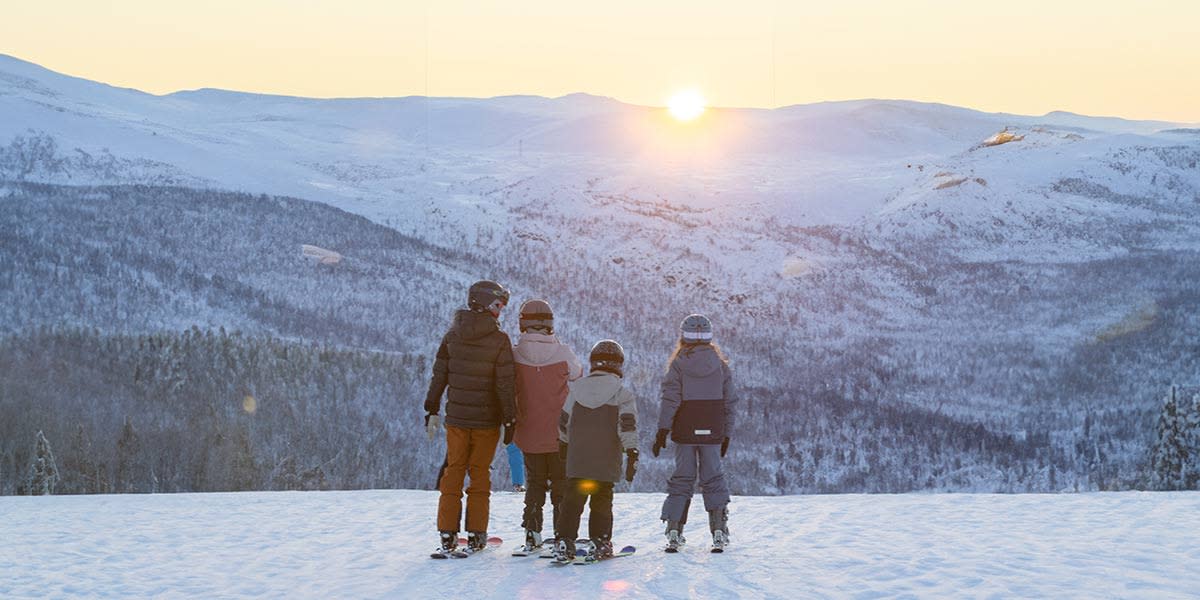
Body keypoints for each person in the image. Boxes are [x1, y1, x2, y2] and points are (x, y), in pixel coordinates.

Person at [424, 280, 517, 555]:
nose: (500, 311)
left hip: (457, 420)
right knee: (479, 476)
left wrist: (432, 409)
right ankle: (477, 534)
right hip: (487, 423)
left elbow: (439, 375)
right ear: (486, 304)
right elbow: (505, 384)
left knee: (453, 473)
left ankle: (447, 534)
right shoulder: (500, 340)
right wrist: (509, 419)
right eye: (498, 305)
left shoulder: (453, 335)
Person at [653, 314, 736, 552]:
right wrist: (726, 433)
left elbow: (670, 399)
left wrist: (662, 430)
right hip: (713, 430)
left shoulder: (679, 364)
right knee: (713, 479)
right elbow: (730, 402)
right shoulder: (721, 366)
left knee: (682, 479)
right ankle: (719, 530)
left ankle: (674, 531)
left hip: (685, 430)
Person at [555, 339, 639, 562]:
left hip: (578, 460)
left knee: (572, 501)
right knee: (601, 501)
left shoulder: (576, 390)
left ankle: (564, 541)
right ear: (618, 366)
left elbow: (564, 422)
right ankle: (600, 542)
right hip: (605, 462)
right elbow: (627, 425)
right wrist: (632, 451)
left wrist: (564, 445)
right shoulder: (622, 393)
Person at [511, 299, 583, 554]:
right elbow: (577, 374)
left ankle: (532, 532)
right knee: (561, 485)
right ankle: (562, 535)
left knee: (535, 482)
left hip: (529, 431)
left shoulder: (515, 354)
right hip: (560, 433)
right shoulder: (563, 352)